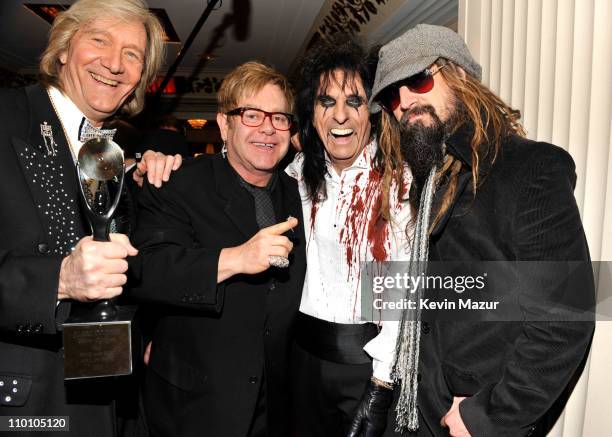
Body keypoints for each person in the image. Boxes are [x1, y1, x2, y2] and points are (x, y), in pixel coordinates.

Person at [369, 24, 595, 436]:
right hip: (420, 410)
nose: (404, 103)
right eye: (390, 96)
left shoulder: (531, 169)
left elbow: (566, 320)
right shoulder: (433, 178)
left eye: (417, 80)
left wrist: (486, 416)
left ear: (458, 75)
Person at [0, 1, 181, 435]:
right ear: (63, 49)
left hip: (110, 399)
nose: (115, 64)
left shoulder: (110, 154)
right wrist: (58, 280)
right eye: (100, 39)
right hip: (26, 403)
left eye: (133, 54)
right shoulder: (6, 118)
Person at [128, 61, 306, 437]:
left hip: (278, 407)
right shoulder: (177, 183)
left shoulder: (302, 197)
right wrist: (236, 258)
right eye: (252, 115)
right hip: (194, 404)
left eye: (279, 118)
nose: (267, 129)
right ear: (225, 124)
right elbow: (147, 272)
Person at [285, 37, 412, 436]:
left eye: (354, 102)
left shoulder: (398, 181)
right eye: (327, 102)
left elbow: (401, 290)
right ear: (313, 113)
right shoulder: (299, 174)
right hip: (302, 360)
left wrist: (380, 386)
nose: (340, 116)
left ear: (372, 113)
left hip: (368, 367)